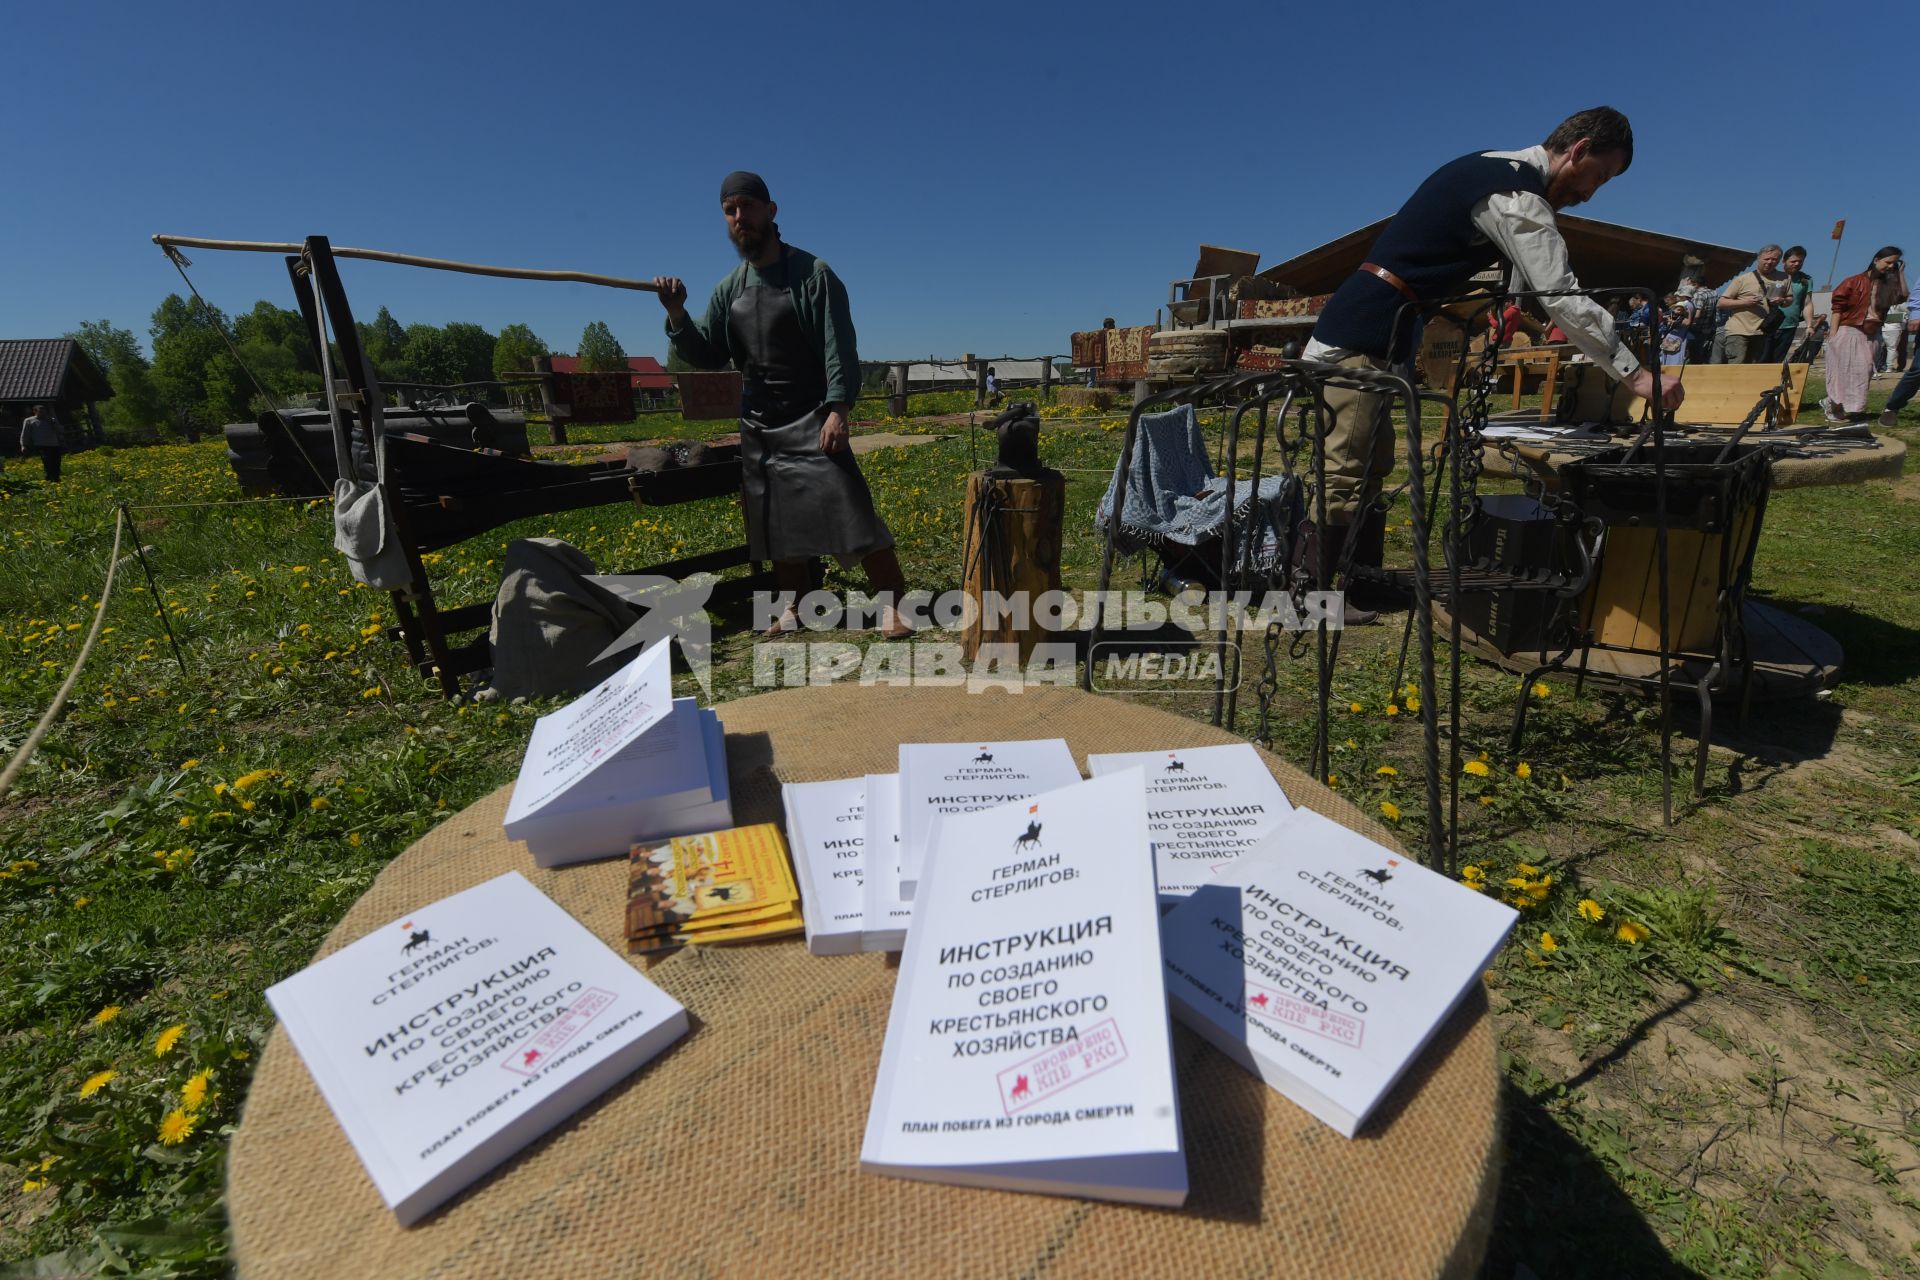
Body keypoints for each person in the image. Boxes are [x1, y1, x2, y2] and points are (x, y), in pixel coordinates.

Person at [1301, 106, 1683, 621]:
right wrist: (1636, 375)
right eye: (1597, 176)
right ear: (1578, 149)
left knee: (1372, 467)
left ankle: (1360, 586)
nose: (1590, 192)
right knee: (1344, 468)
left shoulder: (1500, 173)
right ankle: (1313, 599)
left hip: (1381, 338)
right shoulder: (1512, 191)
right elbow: (1560, 295)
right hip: (1359, 335)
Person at [654, 171, 910, 638]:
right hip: (759, 422)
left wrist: (838, 408)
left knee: (850, 505)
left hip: (812, 414)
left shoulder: (813, 275)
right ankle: (793, 609)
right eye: (730, 212)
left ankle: (893, 604)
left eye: (747, 207)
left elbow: (839, 345)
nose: (739, 218)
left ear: (770, 212)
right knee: (776, 522)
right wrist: (677, 314)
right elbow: (708, 354)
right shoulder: (728, 289)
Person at [1822, 247, 1908, 423]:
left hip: (1872, 333)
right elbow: (1837, 307)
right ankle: (1833, 406)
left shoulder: (1889, 285)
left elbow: (1903, 296)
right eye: (1888, 262)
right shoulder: (1854, 281)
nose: (1891, 266)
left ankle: (1834, 402)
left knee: (1864, 372)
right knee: (1843, 373)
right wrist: (1833, 335)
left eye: (1895, 263)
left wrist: (1900, 273)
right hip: (1849, 330)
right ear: (1876, 260)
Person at [1712, 245, 1783, 365]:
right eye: (1767, 259)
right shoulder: (1743, 279)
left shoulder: (1783, 278)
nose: (1770, 262)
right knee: (1736, 365)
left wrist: (1782, 301)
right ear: (1759, 258)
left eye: (1774, 259)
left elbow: (1789, 300)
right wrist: (1745, 302)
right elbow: (1721, 303)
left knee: (1752, 367)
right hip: (1738, 330)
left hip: (1762, 331)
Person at [1766, 245, 1814, 364]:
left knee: (1777, 362)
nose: (1797, 264)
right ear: (1784, 261)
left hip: (1789, 326)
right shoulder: (1772, 275)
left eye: (1800, 261)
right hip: (1767, 326)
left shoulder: (1805, 280)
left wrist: (1809, 325)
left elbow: (1807, 303)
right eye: (1793, 261)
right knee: (1761, 361)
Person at [19, 404, 64, 482]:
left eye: (44, 411)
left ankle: (56, 478)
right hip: (41, 445)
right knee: (47, 461)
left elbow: (60, 430)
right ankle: (48, 478)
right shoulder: (29, 420)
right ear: (35, 411)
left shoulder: (51, 419)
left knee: (57, 462)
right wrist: (23, 445)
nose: (43, 413)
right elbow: (25, 433)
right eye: (41, 412)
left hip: (54, 444)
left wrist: (54, 423)